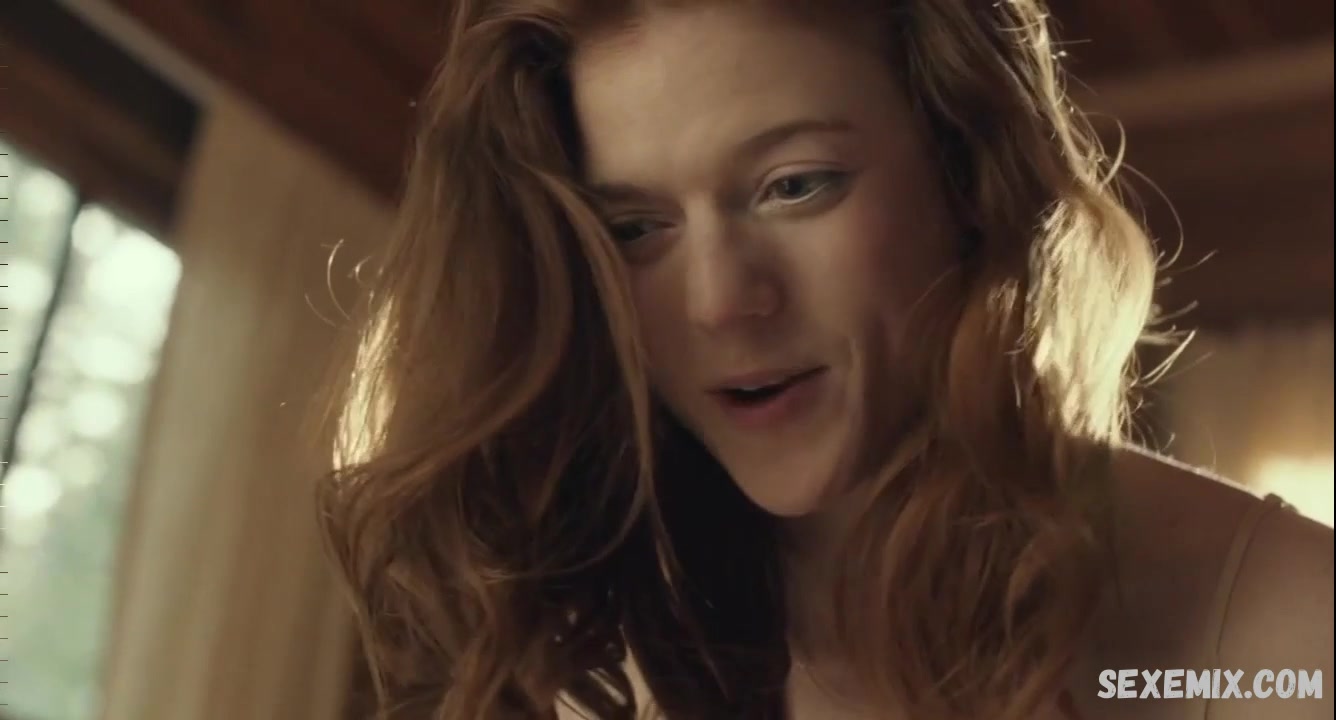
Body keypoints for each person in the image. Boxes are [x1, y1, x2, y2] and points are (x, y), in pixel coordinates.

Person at [315, 1, 1334, 718]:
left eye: (795, 186)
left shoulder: (1287, 632)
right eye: (633, 229)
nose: (721, 302)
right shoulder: (582, 635)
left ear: (965, 177)